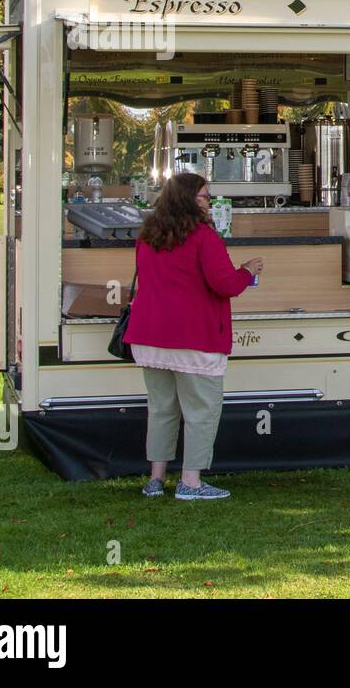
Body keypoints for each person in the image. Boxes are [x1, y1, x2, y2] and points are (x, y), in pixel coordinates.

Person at [123, 172, 263, 501]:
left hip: (150, 336)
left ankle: (155, 480)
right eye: (204, 197)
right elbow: (225, 284)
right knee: (201, 410)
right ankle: (191, 482)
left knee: (161, 409)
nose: (209, 202)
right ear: (189, 200)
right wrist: (247, 271)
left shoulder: (148, 235)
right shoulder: (204, 238)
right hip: (193, 337)